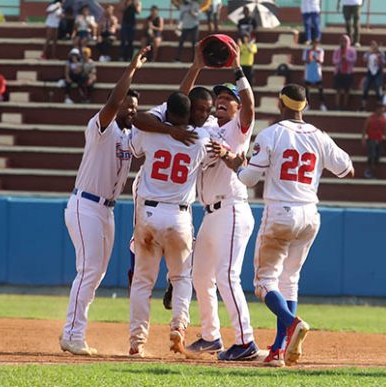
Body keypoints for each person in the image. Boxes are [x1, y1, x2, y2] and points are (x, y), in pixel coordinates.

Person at [217, 83, 354, 367]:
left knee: (263, 283)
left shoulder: (272, 133)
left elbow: (248, 179)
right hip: (309, 214)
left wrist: (235, 163)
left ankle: (292, 324)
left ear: (281, 104)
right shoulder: (319, 136)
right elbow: (346, 168)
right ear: (304, 107)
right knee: (289, 281)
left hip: (280, 211)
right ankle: (279, 351)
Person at [60, 47, 150, 356]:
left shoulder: (129, 137)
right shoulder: (101, 127)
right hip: (84, 205)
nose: (131, 110)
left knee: (95, 272)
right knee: (88, 270)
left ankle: (75, 331)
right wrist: (132, 69)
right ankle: (72, 334)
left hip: (106, 210)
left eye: (135, 106)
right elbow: (112, 103)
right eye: (128, 104)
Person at [176, 39, 260, 361]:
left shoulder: (239, 131)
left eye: (230, 98)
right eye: (220, 98)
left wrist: (238, 67)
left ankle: (246, 341)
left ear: (238, 108)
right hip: (210, 214)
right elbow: (181, 103)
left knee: (227, 275)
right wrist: (196, 65)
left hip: (233, 207)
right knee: (200, 276)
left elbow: (250, 105)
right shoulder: (208, 127)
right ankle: (211, 336)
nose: (223, 100)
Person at [128, 90, 214, 358]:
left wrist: (164, 128)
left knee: (142, 281)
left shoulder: (152, 132)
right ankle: (179, 326)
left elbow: (137, 135)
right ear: (188, 113)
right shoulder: (200, 138)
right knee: (180, 278)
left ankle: (136, 342)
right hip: (179, 215)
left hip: (149, 214)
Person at [332, 34, 357, 110]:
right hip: (339, 72)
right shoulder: (337, 51)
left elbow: (354, 60)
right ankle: (337, 106)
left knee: (347, 90)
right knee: (338, 90)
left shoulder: (352, 50)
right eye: (342, 41)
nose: (343, 42)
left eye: (345, 41)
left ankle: (345, 106)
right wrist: (340, 59)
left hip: (348, 72)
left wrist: (347, 58)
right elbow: (334, 60)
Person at [361, 103, 385, 179]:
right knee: (372, 155)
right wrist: (363, 139)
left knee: (377, 156)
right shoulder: (370, 118)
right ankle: (369, 171)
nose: (381, 110)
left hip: (379, 140)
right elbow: (364, 129)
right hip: (372, 139)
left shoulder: (383, 118)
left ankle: (371, 171)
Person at [360, 40, 385, 111]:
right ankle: (363, 106)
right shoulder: (368, 53)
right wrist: (370, 53)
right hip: (370, 72)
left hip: (378, 72)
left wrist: (379, 58)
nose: (373, 46)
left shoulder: (381, 53)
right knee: (365, 87)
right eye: (372, 45)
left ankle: (380, 104)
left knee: (378, 87)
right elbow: (364, 59)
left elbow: (384, 62)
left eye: (374, 45)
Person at [302, 39, 326, 111]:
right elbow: (305, 60)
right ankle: (307, 105)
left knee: (320, 88)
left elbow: (321, 61)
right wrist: (309, 59)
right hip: (309, 72)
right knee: (307, 89)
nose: (315, 44)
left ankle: (322, 104)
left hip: (317, 72)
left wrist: (315, 58)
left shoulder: (320, 51)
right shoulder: (307, 50)